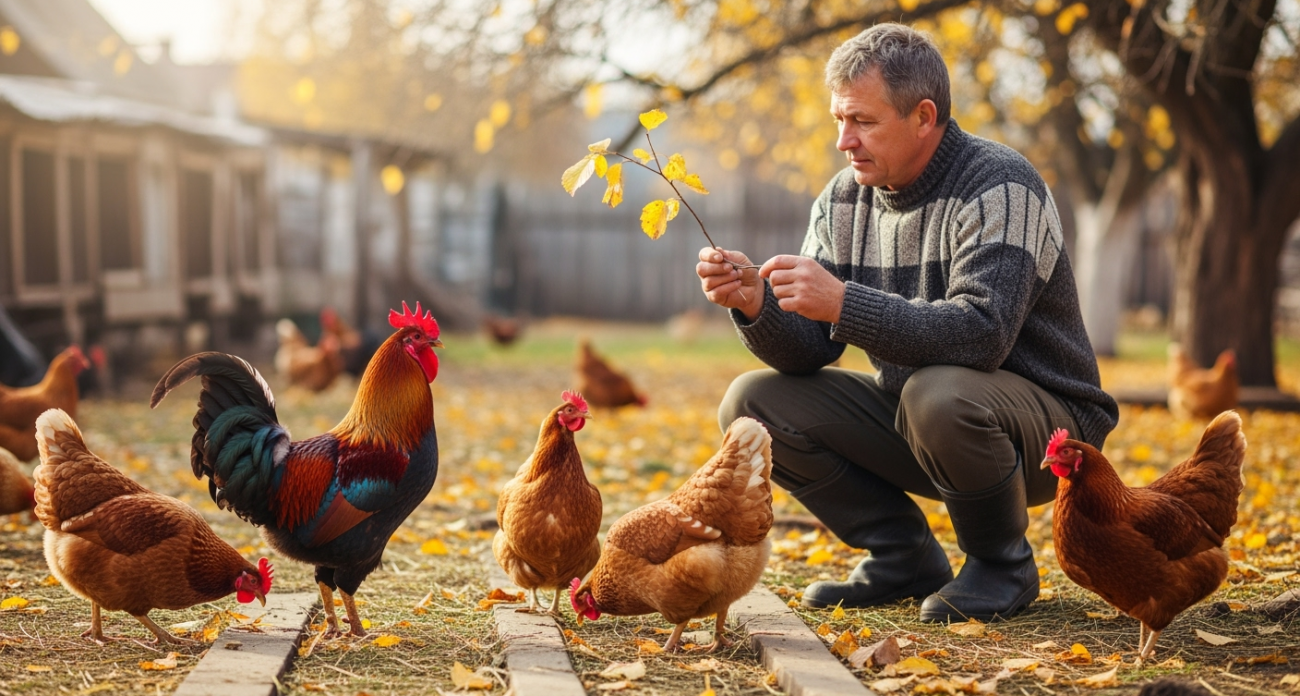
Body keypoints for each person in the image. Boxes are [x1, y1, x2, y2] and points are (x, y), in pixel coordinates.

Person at [695, 23, 1118, 623]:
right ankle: (903, 555)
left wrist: (844, 302)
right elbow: (808, 352)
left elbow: (982, 334)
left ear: (924, 116)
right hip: (924, 416)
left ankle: (1002, 566)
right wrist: (755, 304)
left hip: (1049, 432)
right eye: (839, 120)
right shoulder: (845, 200)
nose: (844, 140)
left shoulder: (1001, 183)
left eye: (862, 121)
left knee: (936, 391)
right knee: (751, 405)